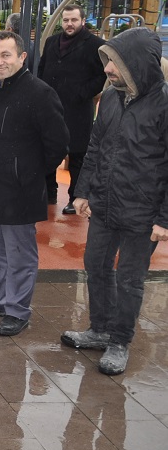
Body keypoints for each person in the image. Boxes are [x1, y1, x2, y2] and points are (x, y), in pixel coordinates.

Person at [63, 28, 168, 374]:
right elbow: (95, 148)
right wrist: (82, 192)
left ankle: (120, 341)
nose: (107, 68)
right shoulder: (109, 97)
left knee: (129, 278)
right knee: (95, 266)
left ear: (136, 64)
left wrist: (164, 219)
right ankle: (99, 329)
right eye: (106, 60)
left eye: (115, 62)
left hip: (144, 211)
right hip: (105, 204)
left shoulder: (164, 104)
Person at [0, 31, 68, 336]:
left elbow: (58, 144)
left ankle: (17, 310)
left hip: (19, 191)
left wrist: (27, 174)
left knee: (19, 255)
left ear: (22, 57)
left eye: (5, 55)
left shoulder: (40, 93)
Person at [38, 6, 105, 214]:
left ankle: (75, 197)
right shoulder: (51, 42)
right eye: (66, 20)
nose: (69, 24)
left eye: (74, 20)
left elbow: (101, 75)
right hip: (51, 108)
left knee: (77, 155)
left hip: (77, 109)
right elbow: (42, 68)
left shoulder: (96, 45)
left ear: (83, 21)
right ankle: (49, 192)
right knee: (47, 149)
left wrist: (82, 93)